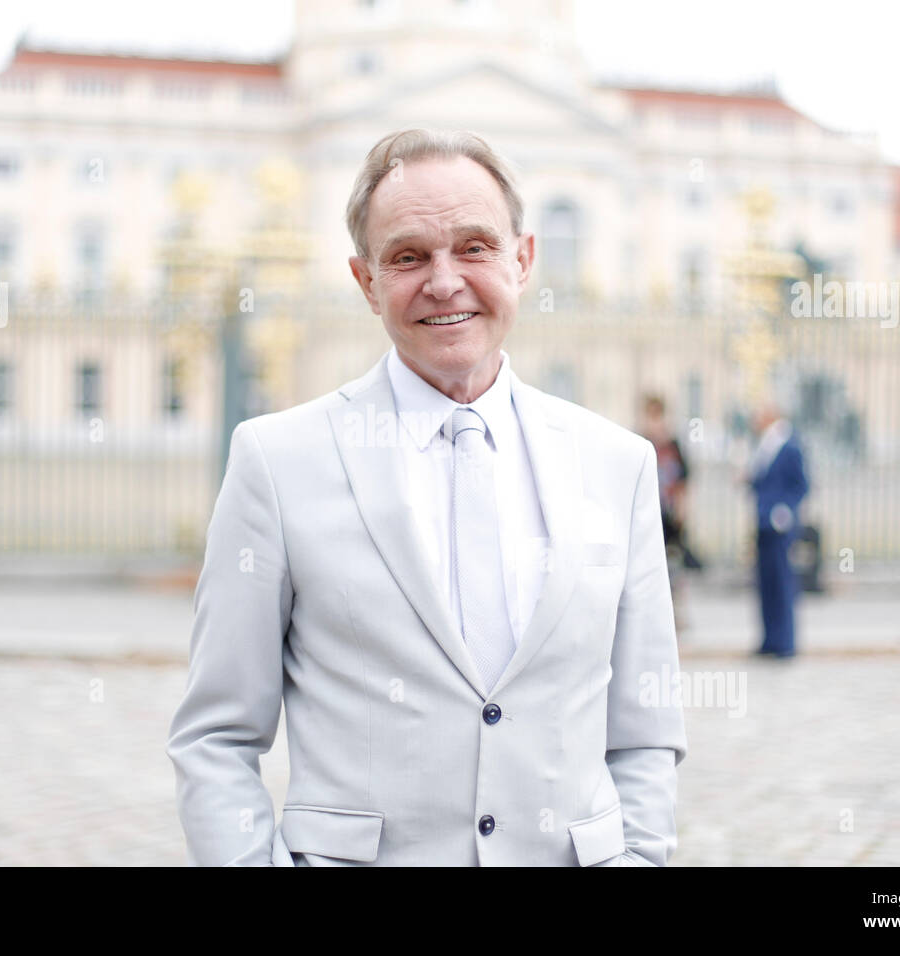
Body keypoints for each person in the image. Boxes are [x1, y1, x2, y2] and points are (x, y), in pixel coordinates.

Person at [166, 129, 687, 866]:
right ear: (365, 280)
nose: (444, 282)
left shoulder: (618, 464)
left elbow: (645, 729)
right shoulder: (276, 463)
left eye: (474, 247)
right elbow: (215, 738)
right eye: (409, 256)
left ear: (523, 258)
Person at [747, 400, 810, 659]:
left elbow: (802, 485)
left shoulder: (790, 445)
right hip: (763, 522)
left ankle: (785, 641)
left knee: (782, 582)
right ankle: (769, 639)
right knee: (766, 583)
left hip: (780, 525)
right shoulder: (765, 444)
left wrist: (786, 510)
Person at [640, 394, 701, 633]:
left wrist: (683, 508)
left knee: (673, 566)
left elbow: (684, 481)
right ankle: (649, 615)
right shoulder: (639, 442)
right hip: (647, 514)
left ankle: (676, 614)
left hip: (669, 515)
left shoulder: (674, 446)